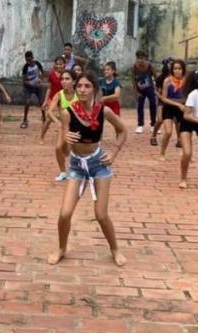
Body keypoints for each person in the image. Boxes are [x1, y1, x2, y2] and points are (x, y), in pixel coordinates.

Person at [48, 71, 128, 267]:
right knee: (65, 214)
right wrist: (65, 141)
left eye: (87, 86)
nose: (82, 90)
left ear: (94, 89)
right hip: (76, 165)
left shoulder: (103, 111)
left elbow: (123, 131)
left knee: (101, 214)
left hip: (98, 164)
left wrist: (114, 152)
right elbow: (65, 151)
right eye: (80, 86)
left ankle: (115, 249)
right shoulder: (68, 113)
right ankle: (61, 248)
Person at [46, 70, 78, 181]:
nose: (64, 81)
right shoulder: (59, 94)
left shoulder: (79, 94)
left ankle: (77, 171)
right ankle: (63, 172)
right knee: (58, 148)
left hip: (78, 127)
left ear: (74, 82)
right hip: (64, 127)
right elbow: (49, 112)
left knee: (72, 149)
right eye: (62, 79)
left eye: (67, 79)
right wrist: (57, 122)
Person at [159, 59, 187, 160]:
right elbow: (163, 98)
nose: (177, 71)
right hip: (168, 108)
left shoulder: (186, 81)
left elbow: (187, 96)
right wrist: (177, 103)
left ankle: (186, 153)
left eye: (179, 68)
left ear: (183, 70)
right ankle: (162, 153)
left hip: (182, 109)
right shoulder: (168, 80)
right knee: (168, 132)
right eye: (175, 68)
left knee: (183, 133)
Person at [40, 56, 65, 144]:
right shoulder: (52, 74)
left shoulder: (66, 75)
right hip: (52, 98)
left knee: (65, 118)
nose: (59, 66)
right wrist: (45, 101)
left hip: (62, 99)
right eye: (57, 64)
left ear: (64, 65)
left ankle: (64, 138)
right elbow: (49, 88)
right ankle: (42, 137)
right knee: (48, 120)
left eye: (61, 64)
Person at [131, 50, 157, 134]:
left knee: (153, 104)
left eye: (141, 58)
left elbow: (156, 78)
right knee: (140, 106)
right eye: (138, 58)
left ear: (145, 59)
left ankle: (153, 124)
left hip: (150, 88)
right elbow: (133, 81)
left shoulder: (150, 66)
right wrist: (136, 92)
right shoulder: (134, 67)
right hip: (140, 89)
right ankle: (140, 125)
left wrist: (157, 89)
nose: (140, 60)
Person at [150, 57, 173, 146]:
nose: (171, 66)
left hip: (174, 101)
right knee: (159, 119)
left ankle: (179, 139)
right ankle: (153, 136)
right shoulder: (161, 78)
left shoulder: (177, 77)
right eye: (169, 64)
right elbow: (156, 90)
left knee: (177, 121)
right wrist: (162, 97)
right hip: (162, 101)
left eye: (172, 64)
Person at [20, 51, 45, 129]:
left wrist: (40, 79)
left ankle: (44, 117)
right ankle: (25, 119)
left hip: (37, 86)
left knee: (41, 102)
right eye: (27, 60)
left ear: (33, 58)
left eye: (30, 60)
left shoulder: (37, 64)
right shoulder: (25, 67)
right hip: (28, 87)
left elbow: (43, 72)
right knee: (27, 102)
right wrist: (30, 84)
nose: (29, 62)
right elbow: (24, 80)